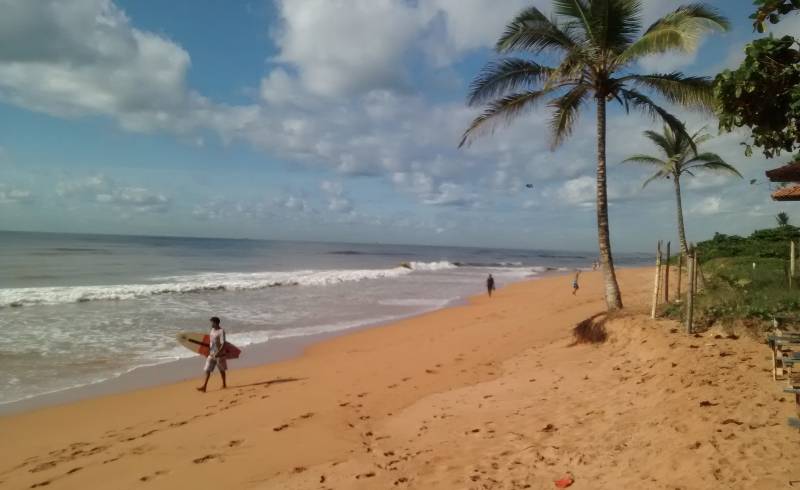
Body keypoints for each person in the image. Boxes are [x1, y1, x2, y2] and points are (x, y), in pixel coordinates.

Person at [197, 316, 227, 392]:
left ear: (216, 323)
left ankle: (224, 384)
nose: (211, 324)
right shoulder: (212, 330)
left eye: (212, 322)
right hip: (211, 354)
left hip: (220, 355)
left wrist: (218, 352)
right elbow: (210, 343)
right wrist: (207, 351)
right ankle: (204, 386)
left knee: (221, 370)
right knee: (207, 370)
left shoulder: (221, 331)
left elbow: (223, 343)